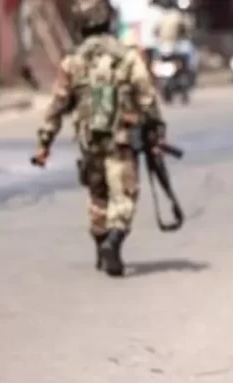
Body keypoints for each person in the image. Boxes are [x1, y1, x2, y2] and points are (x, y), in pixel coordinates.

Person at [31, 0, 166, 277]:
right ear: (108, 22)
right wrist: (157, 132)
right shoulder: (127, 58)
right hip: (121, 140)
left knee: (98, 195)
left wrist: (44, 144)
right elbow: (147, 99)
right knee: (124, 195)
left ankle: (101, 246)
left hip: (89, 141)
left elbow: (57, 106)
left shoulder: (73, 61)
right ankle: (114, 241)